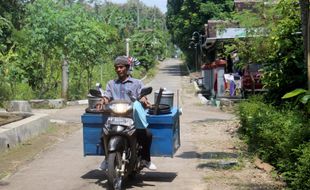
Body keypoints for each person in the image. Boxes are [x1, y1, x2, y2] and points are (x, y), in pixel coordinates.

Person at [96, 55, 156, 171]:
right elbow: (107, 96)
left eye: (121, 67)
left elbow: (142, 95)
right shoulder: (111, 84)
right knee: (103, 134)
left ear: (127, 68)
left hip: (131, 118)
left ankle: (145, 159)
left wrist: (143, 99)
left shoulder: (137, 83)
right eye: (117, 67)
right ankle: (107, 159)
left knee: (147, 134)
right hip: (114, 117)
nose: (119, 69)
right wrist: (102, 101)